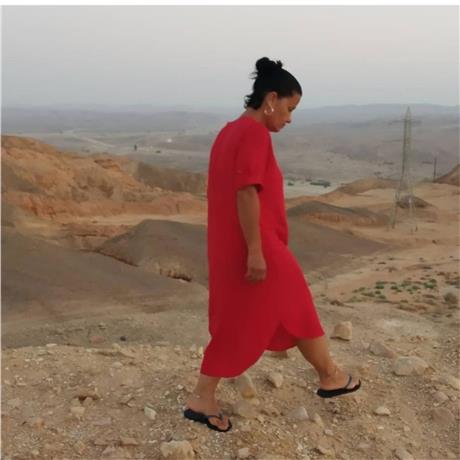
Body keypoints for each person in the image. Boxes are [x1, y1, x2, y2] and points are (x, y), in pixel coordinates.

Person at [183, 57, 361, 433]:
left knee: (249, 316)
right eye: (289, 108)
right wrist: (256, 251)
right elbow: (246, 192)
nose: (290, 118)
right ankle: (329, 375)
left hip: (237, 243)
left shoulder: (229, 131)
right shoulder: (253, 134)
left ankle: (204, 396)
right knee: (294, 302)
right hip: (256, 244)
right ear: (271, 99)